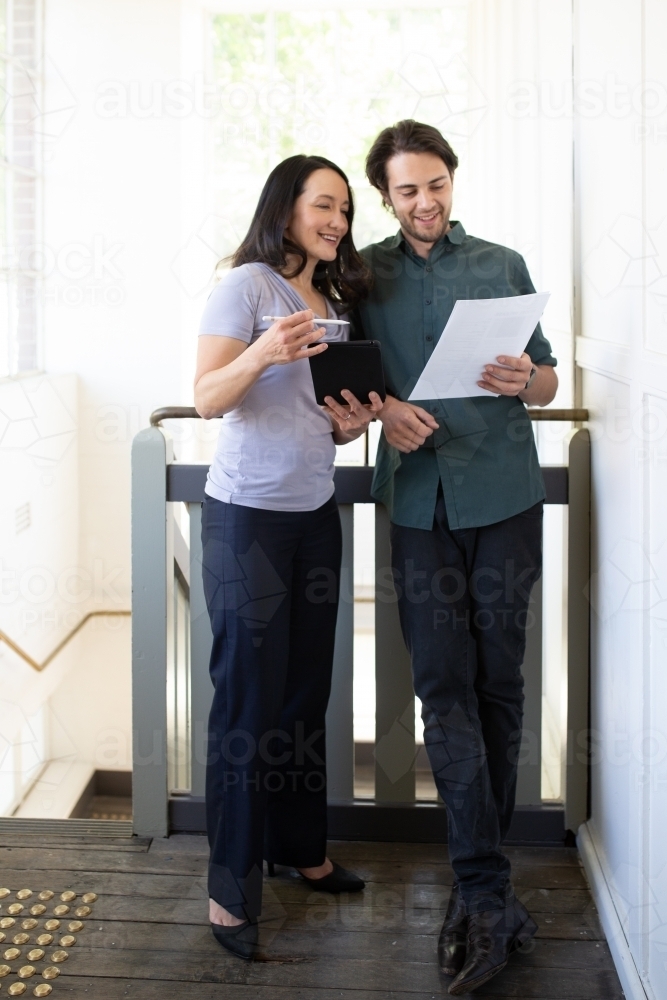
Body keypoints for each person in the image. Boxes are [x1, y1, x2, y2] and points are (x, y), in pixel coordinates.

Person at [355, 120, 558, 996]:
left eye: (435, 184)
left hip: (505, 496)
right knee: (441, 682)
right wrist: (382, 410)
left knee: (497, 683)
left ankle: (481, 884)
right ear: (386, 196)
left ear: (451, 181)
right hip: (415, 503)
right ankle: (483, 887)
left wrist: (528, 380)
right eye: (407, 190)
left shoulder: (502, 263)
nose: (425, 202)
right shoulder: (361, 274)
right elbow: (344, 380)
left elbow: (548, 377)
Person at [194, 154, 382, 959]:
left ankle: (299, 850)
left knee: (306, 692)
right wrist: (263, 353)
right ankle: (228, 890)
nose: (338, 221)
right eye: (324, 205)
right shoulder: (246, 287)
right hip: (247, 522)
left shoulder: (330, 296)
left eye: (344, 209)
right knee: (247, 702)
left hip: (315, 513)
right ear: (287, 207)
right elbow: (206, 397)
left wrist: (349, 424)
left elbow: (325, 415)